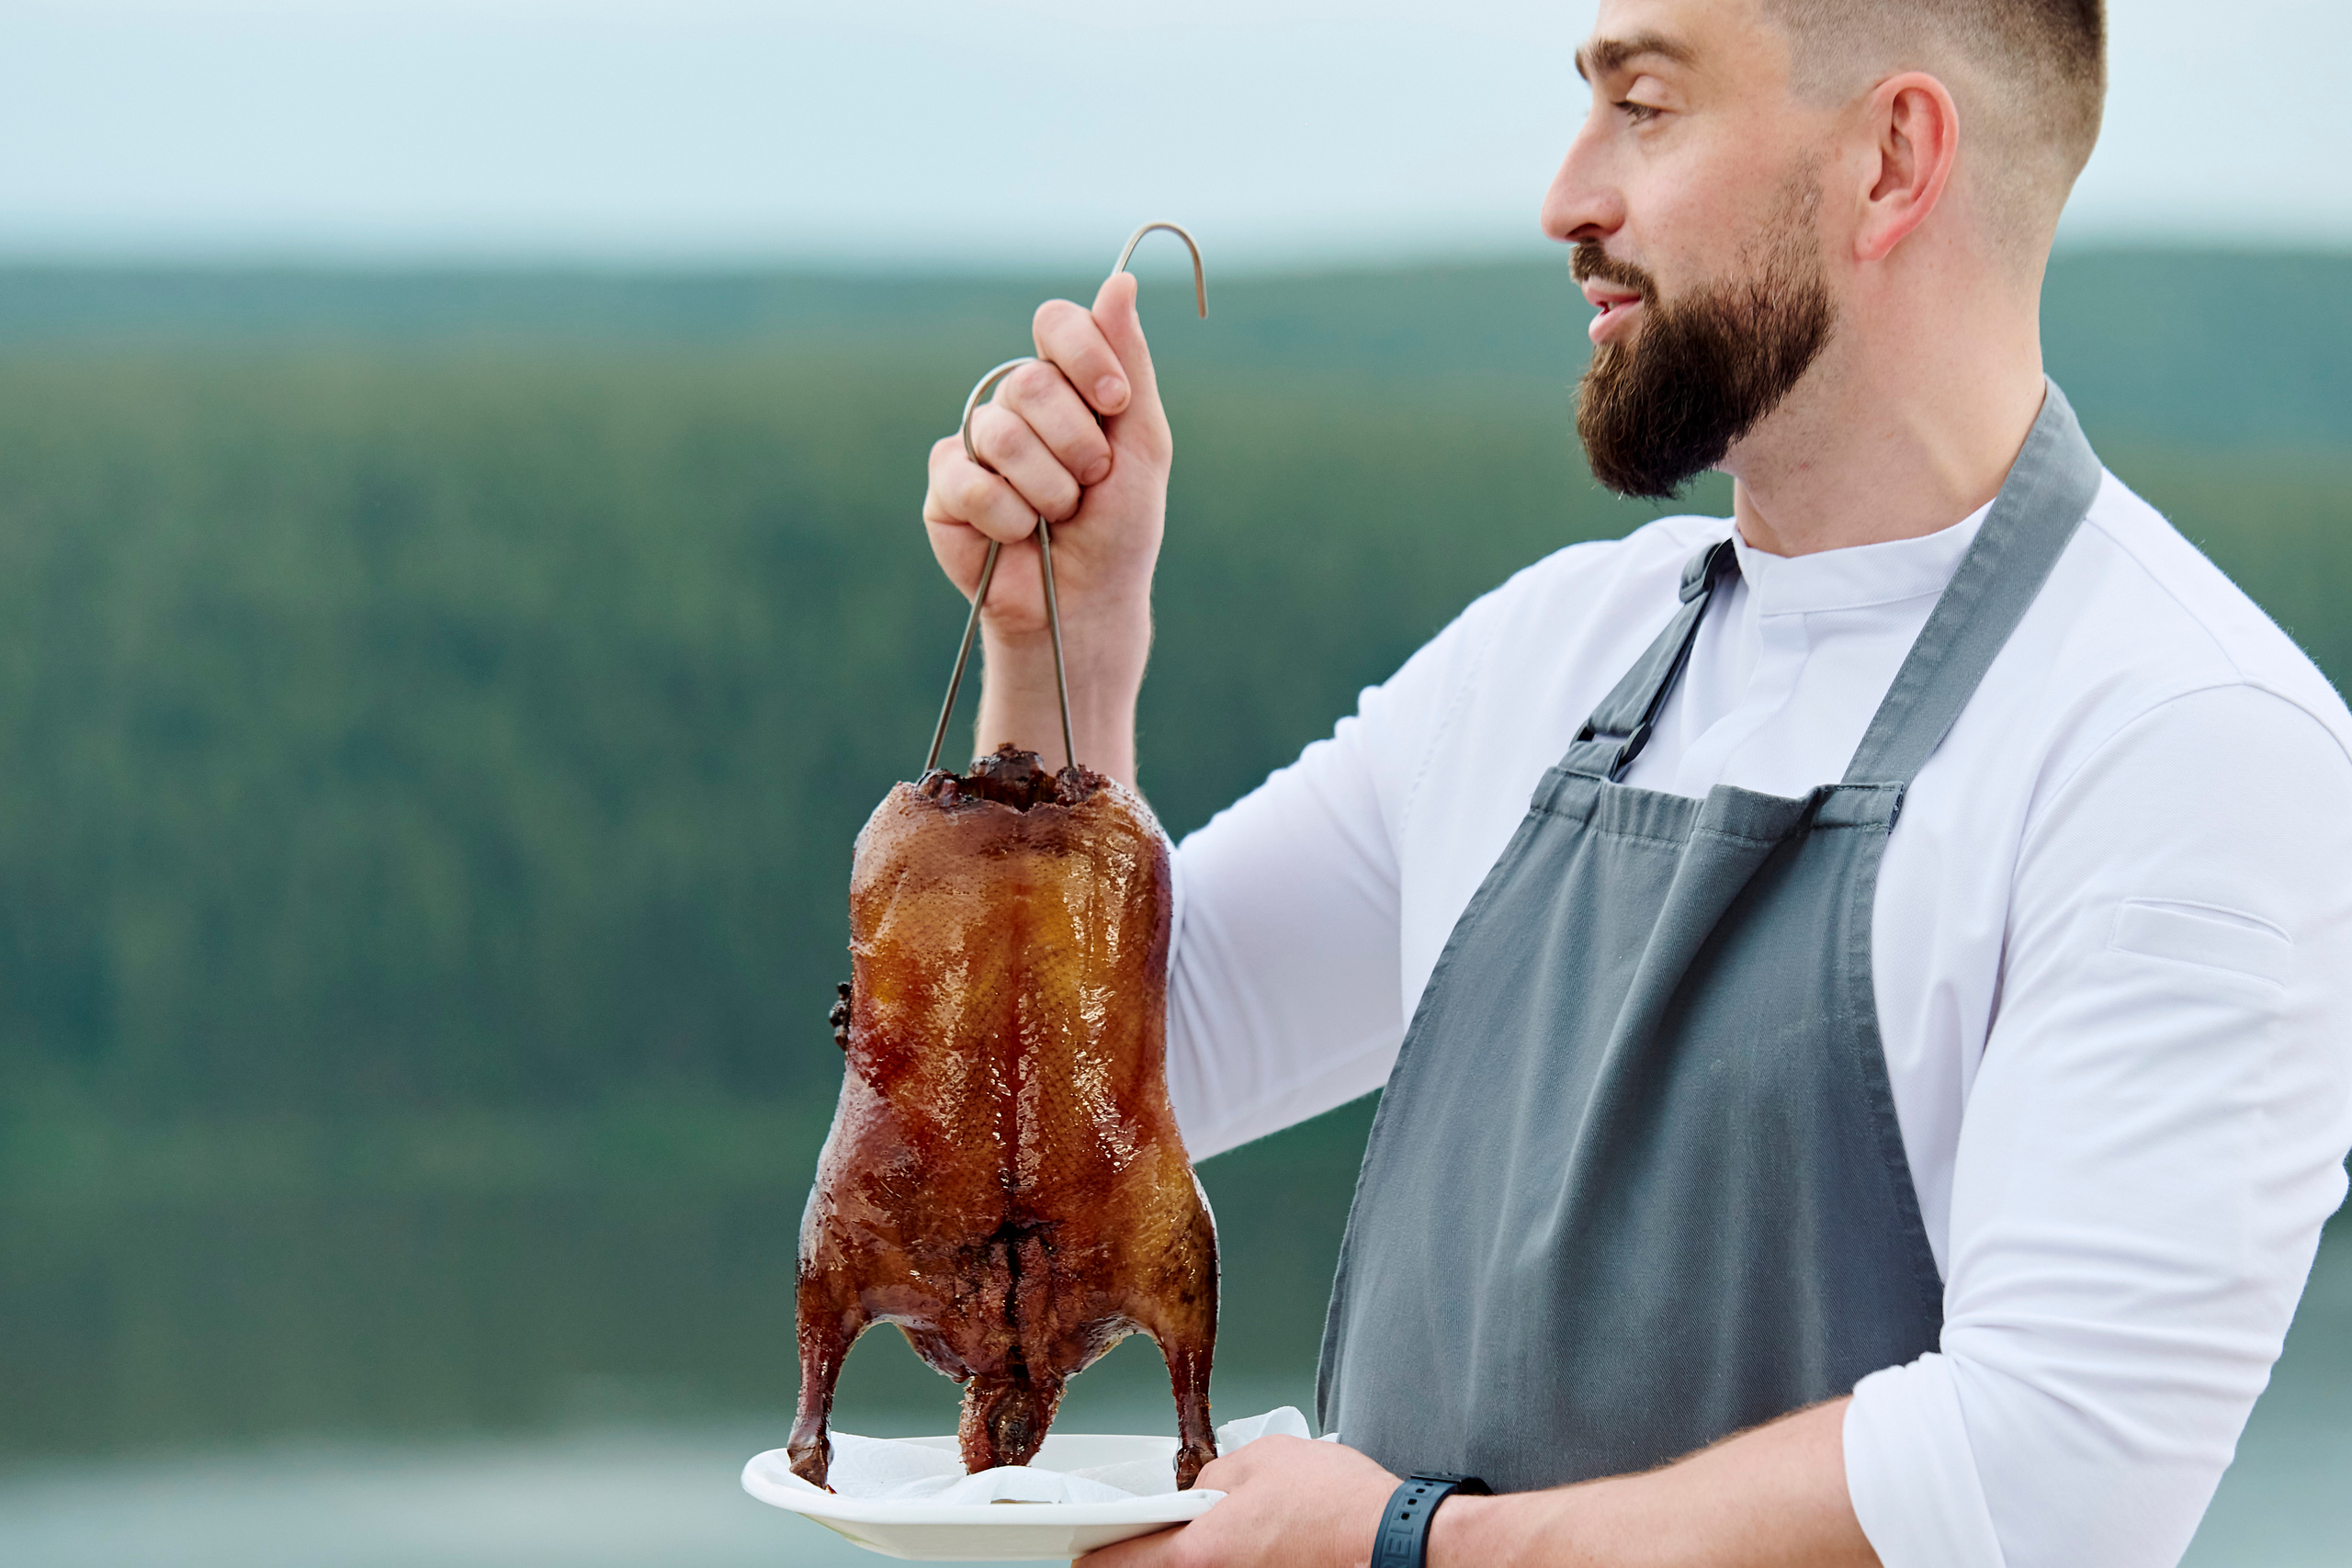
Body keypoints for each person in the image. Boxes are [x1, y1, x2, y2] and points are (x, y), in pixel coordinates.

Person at [917, 1, 2352, 1563]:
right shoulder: (1544, 655)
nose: (1566, 200)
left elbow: (2043, 1475)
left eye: (1646, 108)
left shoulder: (2188, 742)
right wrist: (1065, 654)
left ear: (1893, 160)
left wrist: (1401, 1547)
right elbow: (1056, 1131)